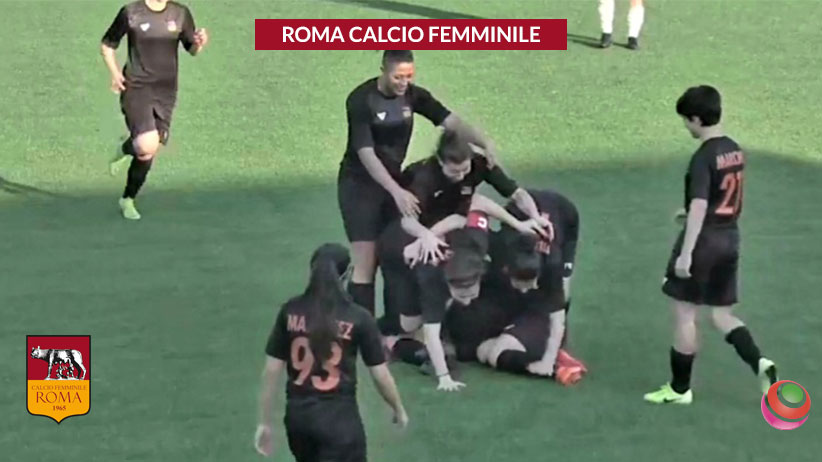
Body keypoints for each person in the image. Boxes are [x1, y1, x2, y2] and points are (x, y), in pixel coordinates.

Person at [338, 49, 502, 317]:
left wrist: (485, 143)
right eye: (398, 77)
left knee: (392, 250)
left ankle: (393, 326)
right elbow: (366, 153)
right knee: (366, 261)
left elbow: (452, 122)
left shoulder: (413, 95)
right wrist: (396, 191)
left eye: (409, 76)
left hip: (396, 182)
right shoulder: (361, 100)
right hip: (360, 186)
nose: (404, 83)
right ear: (383, 70)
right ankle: (361, 331)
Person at [643, 85, 778, 405]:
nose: (685, 127)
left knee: (685, 314)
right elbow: (724, 195)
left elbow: (701, 204)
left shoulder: (702, 157)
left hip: (704, 242)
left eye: (686, 120)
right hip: (730, 238)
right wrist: (692, 213)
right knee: (721, 314)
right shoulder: (734, 149)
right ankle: (759, 361)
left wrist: (686, 253)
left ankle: (679, 389)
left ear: (696, 119)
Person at [255, 243, 408, 460]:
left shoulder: (290, 311)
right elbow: (380, 374)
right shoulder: (358, 317)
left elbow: (271, 370)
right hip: (339, 420)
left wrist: (264, 421)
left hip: (298, 420)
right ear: (347, 274)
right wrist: (397, 407)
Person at [101, 0, 208, 220]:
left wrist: (199, 43)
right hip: (136, 86)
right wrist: (115, 74)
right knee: (146, 143)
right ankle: (129, 163)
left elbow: (191, 49)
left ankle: (127, 193)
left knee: (148, 149)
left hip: (166, 91)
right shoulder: (131, 12)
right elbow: (107, 45)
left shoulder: (180, 13)